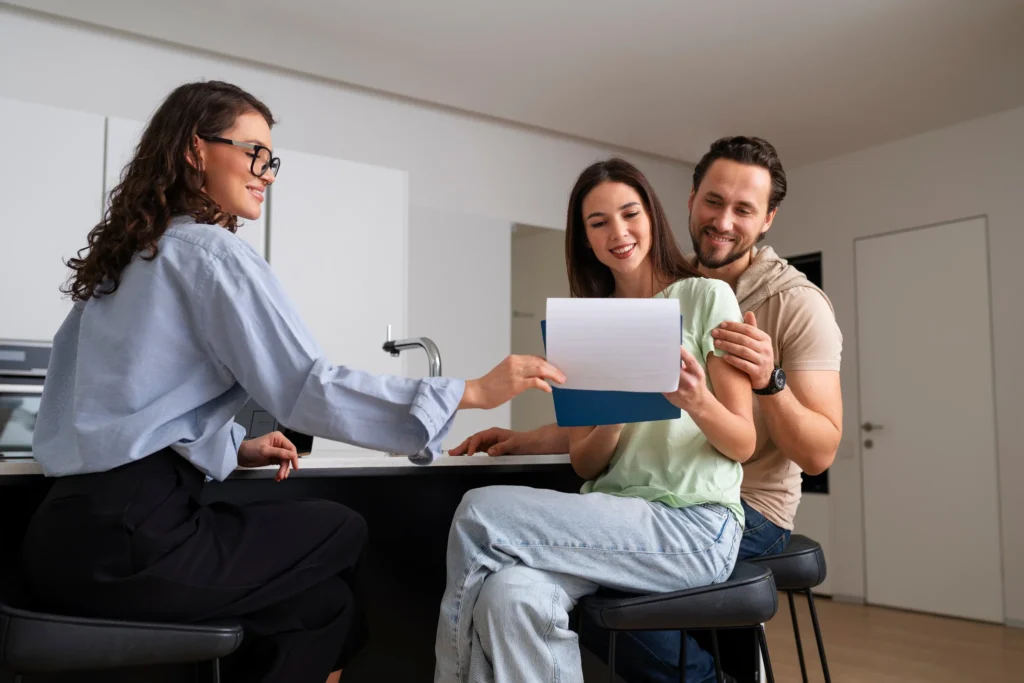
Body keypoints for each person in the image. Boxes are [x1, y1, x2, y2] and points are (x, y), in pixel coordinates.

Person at [19, 80, 564, 683]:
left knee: (320, 609)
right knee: (343, 527)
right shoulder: (211, 254)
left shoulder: (122, 263)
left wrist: (232, 445)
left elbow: (113, 409)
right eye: (253, 152)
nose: (267, 172)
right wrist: (471, 391)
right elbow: (307, 387)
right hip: (136, 541)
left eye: (270, 158)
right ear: (196, 150)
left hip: (60, 542)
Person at [449, 136, 844, 683]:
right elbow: (589, 462)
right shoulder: (588, 324)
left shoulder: (714, 299)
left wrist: (699, 399)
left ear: (653, 216)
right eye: (597, 223)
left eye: (629, 214)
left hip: (696, 517)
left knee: (478, 510)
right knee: (509, 595)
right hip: (617, 513)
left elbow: (745, 443)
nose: (618, 233)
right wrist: (614, 404)